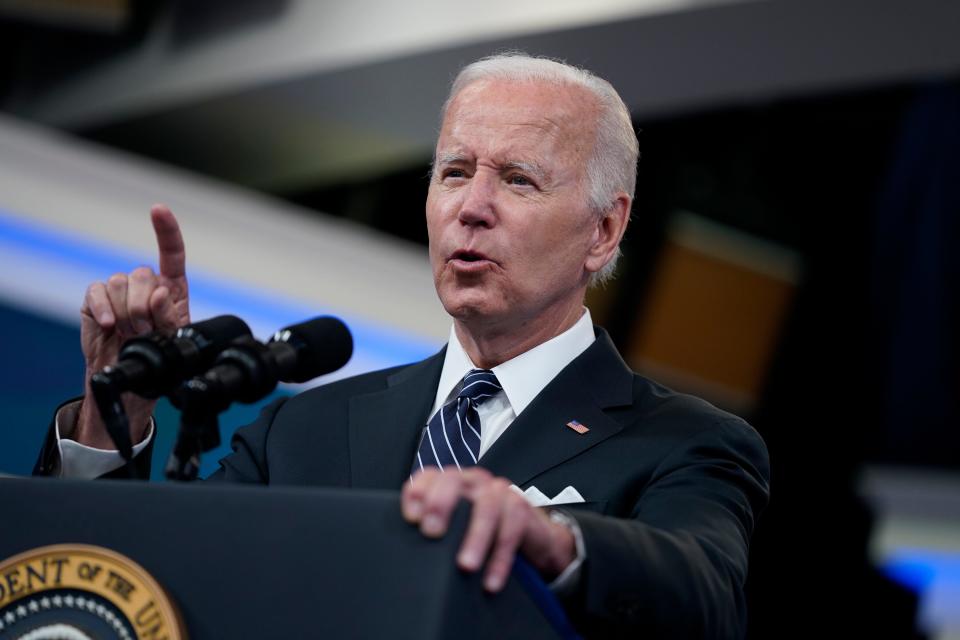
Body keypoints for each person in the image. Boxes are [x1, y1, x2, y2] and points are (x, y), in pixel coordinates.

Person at [36, 53, 770, 638]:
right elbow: (137, 591)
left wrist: (549, 540)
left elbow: (700, 594)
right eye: (454, 172)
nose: (471, 209)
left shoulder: (685, 443)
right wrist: (116, 408)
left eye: (517, 180)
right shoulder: (304, 430)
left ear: (604, 230)